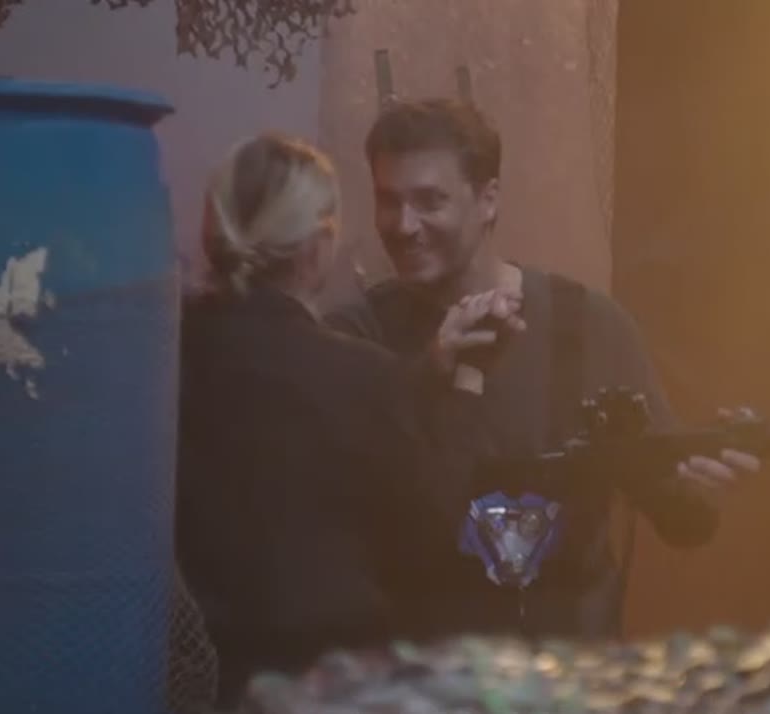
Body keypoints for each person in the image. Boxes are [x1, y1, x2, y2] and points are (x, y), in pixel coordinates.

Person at [324, 98, 762, 641]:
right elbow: (336, 518)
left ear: (488, 199)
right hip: (418, 674)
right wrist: (430, 374)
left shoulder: (589, 326)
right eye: (389, 202)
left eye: (430, 201)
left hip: (568, 671)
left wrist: (702, 488)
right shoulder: (355, 335)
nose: (404, 225)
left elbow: (681, 520)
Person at [173, 132, 525, 709]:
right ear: (318, 246)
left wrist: (423, 370)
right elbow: (437, 533)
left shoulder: (161, 359)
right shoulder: (359, 375)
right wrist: (468, 379)